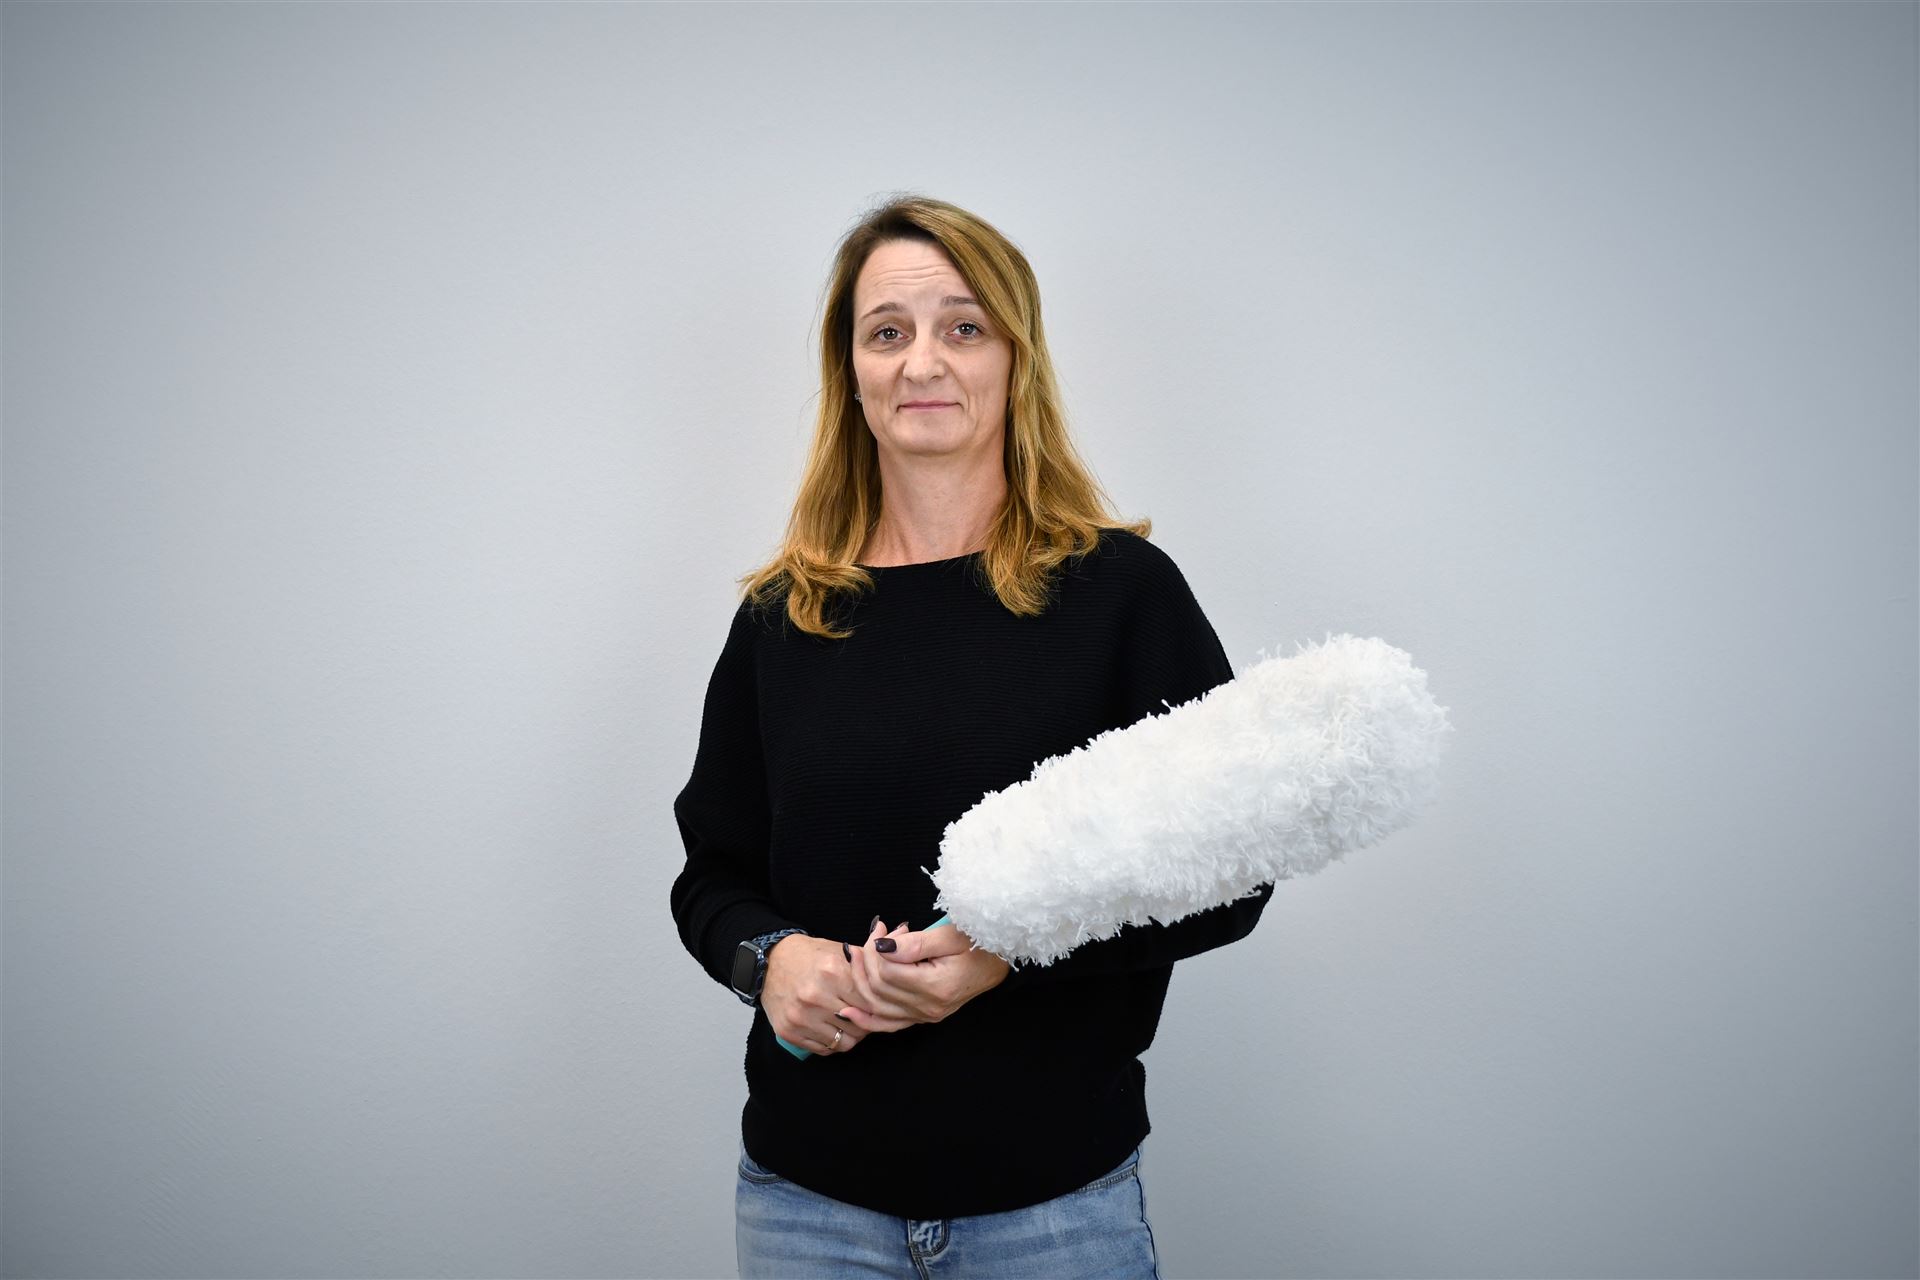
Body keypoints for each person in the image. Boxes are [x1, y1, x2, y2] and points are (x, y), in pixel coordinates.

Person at [668, 194, 1273, 1278]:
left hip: (1054, 1214)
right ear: (851, 372)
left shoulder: (1123, 595)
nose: (923, 362)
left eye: (964, 326)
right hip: (807, 1212)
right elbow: (713, 874)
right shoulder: (784, 616)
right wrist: (770, 960)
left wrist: (1005, 955)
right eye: (887, 332)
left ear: (1014, 358)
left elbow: (1234, 867)